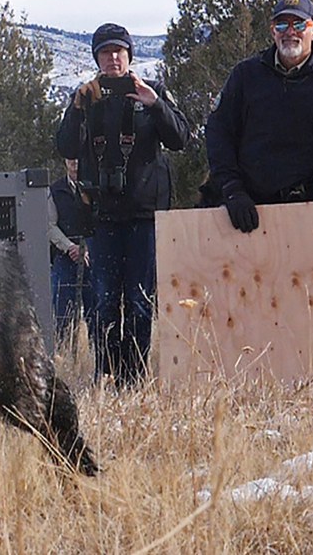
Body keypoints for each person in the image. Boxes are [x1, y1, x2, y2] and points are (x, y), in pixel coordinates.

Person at [55, 22, 190, 388]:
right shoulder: (85, 97)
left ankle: (134, 377)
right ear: (96, 58)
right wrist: (77, 109)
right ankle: (106, 373)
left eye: (119, 51)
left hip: (144, 215)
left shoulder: (153, 92)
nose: (113, 58)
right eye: (105, 52)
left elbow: (180, 138)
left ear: (129, 56)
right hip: (101, 215)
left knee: (139, 300)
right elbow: (66, 147)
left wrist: (155, 104)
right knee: (103, 299)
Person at [205, 0, 313, 232]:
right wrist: (232, 191)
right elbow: (219, 134)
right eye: (281, 24)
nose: (290, 32)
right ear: (273, 31)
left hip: (311, 216)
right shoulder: (245, 76)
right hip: (246, 213)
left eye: (299, 24)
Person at [48, 158, 95, 348]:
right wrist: (70, 247)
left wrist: (89, 248)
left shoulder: (95, 186)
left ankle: (97, 360)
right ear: (65, 161)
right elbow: (49, 225)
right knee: (63, 315)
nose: (75, 162)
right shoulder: (54, 190)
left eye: (78, 157)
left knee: (97, 314)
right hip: (65, 258)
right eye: (70, 158)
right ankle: (64, 360)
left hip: (94, 258)